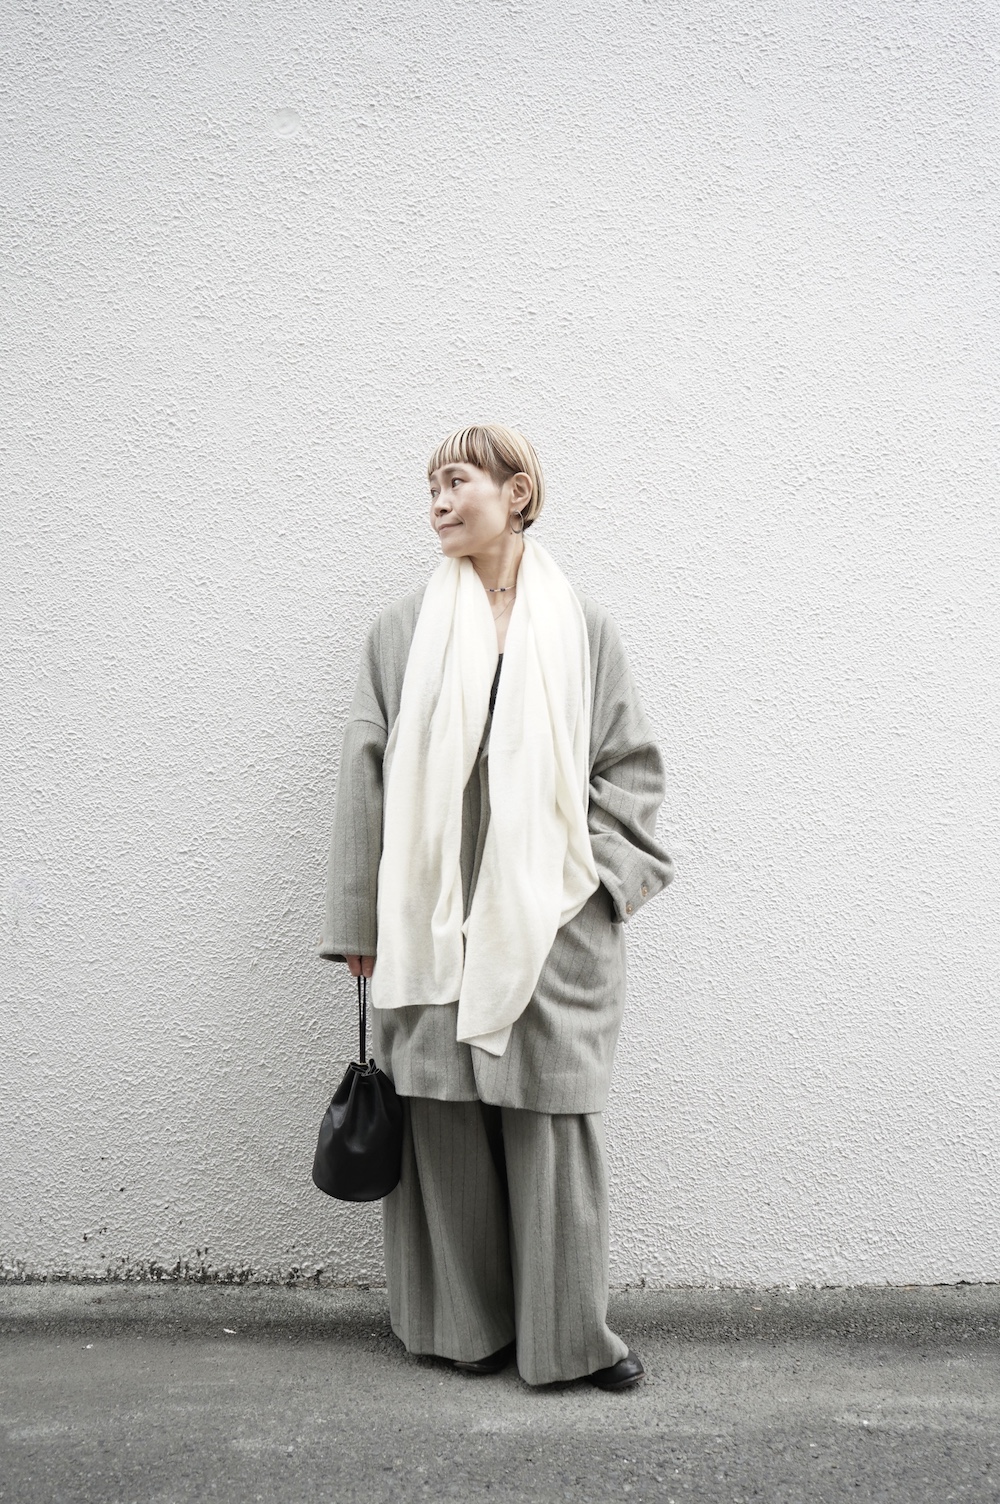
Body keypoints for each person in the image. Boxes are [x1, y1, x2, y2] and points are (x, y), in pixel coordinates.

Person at [319, 423, 674, 1389]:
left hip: (551, 924)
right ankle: (463, 1332)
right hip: (430, 923)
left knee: (550, 1127)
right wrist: (358, 923)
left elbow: (630, 770)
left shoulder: (583, 628)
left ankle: (571, 1342)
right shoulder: (400, 632)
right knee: (442, 1125)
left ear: (517, 494)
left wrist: (595, 887)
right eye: (430, 487)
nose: (438, 501)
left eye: (457, 481)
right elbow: (364, 778)